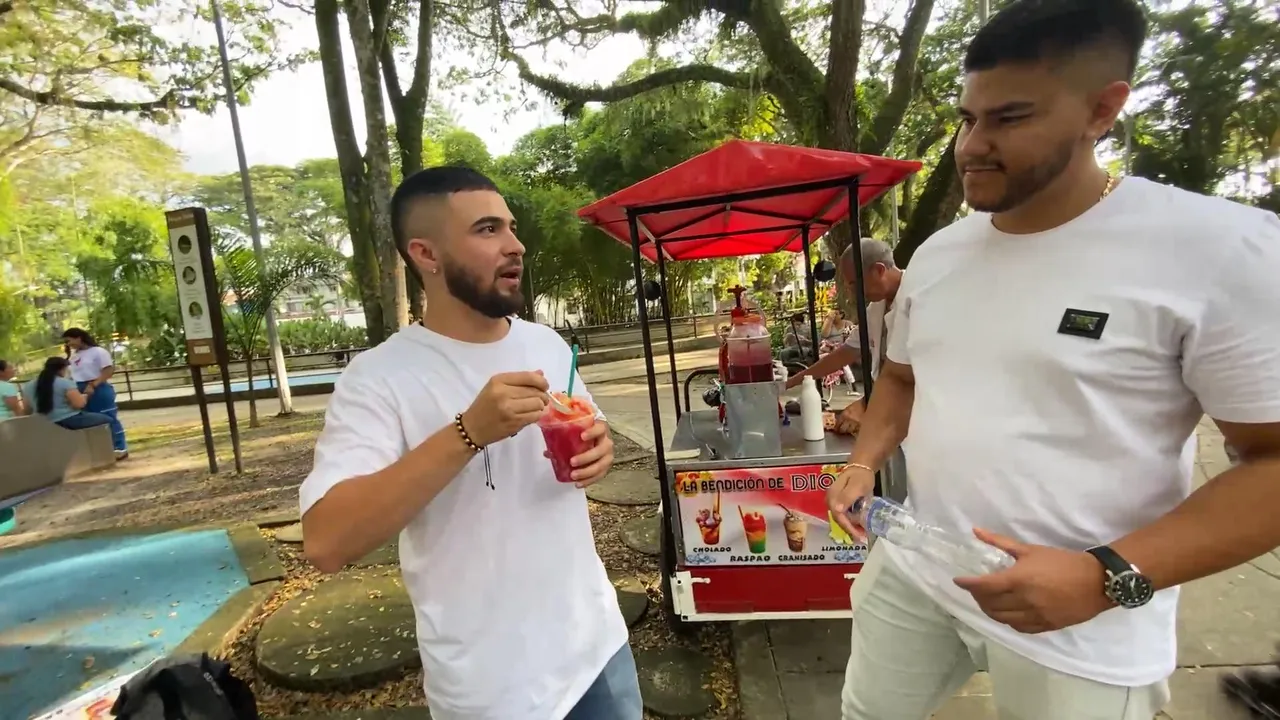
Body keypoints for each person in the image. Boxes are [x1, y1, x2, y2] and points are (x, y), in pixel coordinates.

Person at [827, 0, 1280, 718]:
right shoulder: (939, 255)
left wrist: (1106, 577)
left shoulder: (1222, 251)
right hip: (918, 569)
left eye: (1009, 118)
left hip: (1083, 626)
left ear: (1102, 109)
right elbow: (902, 380)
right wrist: (862, 463)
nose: (971, 146)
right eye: (967, 119)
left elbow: (1271, 463)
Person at [299, 166, 640, 720]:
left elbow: (588, 432)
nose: (515, 245)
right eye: (487, 229)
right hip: (491, 689)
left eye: (511, 227)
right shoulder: (378, 378)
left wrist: (599, 449)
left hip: (597, 653)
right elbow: (326, 542)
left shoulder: (548, 345)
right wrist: (468, 432)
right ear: (426, 254)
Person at [786, 238, 902, 435]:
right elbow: (845, 353)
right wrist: (790, 383)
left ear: (879, 270)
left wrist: (866, 404)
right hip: (887, 418)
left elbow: (913, 372)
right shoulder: (875, 309)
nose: (851, 292)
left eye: (854, 284)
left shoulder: (921, 301)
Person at [62, 328, 128, 459]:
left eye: (69, 341)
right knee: (88, 419)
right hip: (79, 387)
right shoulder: (74, 356)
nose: (69, 344)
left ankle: (119, 447)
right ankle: (100, 450)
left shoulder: (98, 352)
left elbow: (108, 370)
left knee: (108, 417)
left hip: (98, 386)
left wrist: (94, 384)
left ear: (78, 338)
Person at [22, 357, 113, 430]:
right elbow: (78, 404)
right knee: (108, 419)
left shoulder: (28, 385)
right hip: (67, 420)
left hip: (42, 421)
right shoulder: (65, 383)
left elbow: (27, 410)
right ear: (62, 369)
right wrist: (86, 395)